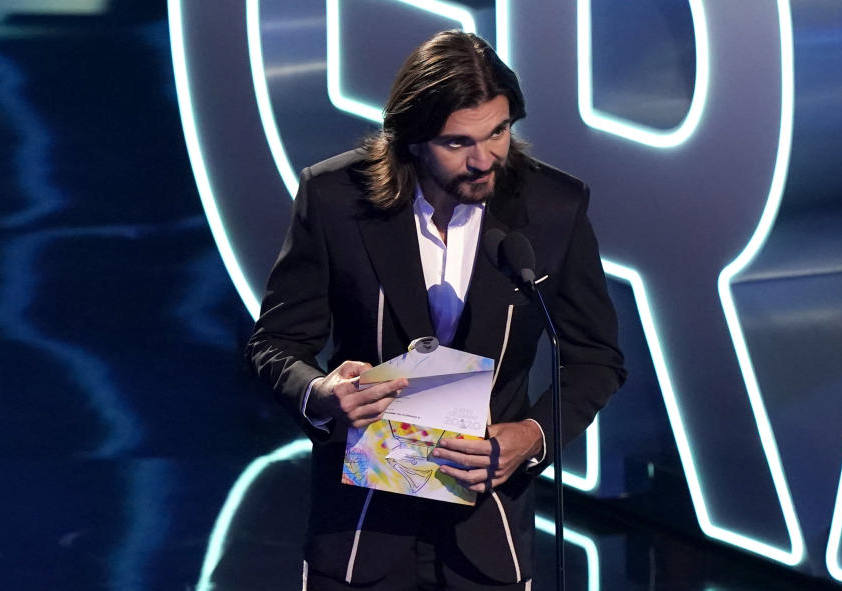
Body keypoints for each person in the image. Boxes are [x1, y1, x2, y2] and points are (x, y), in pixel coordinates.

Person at [245, 30, 626, 590]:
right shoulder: (335, 199)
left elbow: (595, 357)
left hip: (487, 536)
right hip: (361, 532)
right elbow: (274, 344)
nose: (484, 159)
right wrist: (322, 394)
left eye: (498, 131)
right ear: (412, 140)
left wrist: (531, 434)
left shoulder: (553, 209)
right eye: (457, 143)